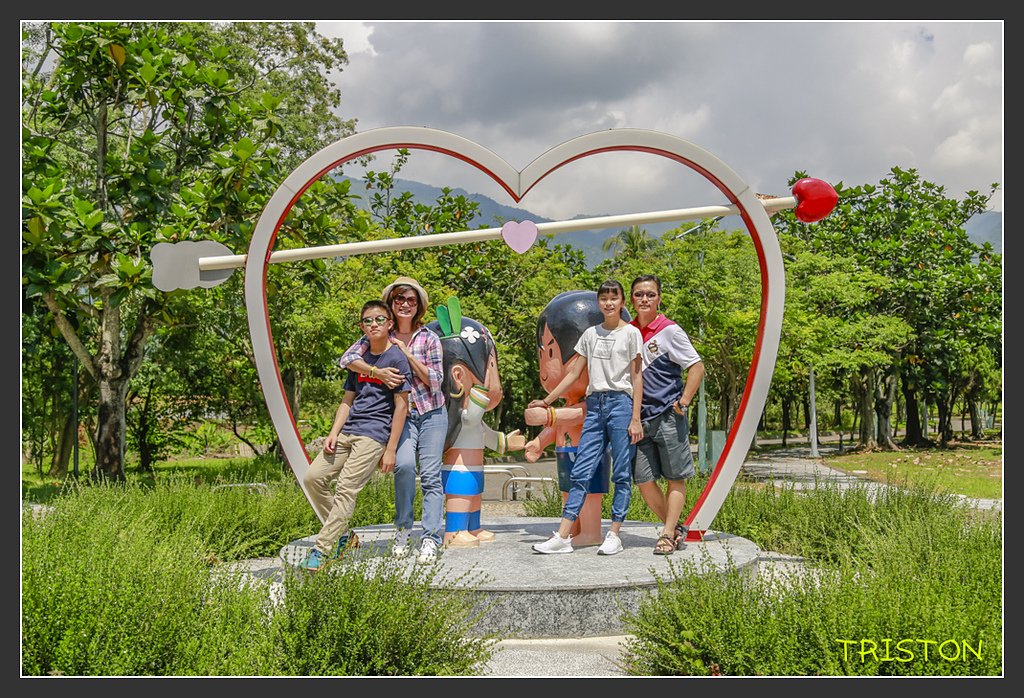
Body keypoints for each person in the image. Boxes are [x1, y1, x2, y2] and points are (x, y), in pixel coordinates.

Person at [529, 280, 644, 556]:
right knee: (580, 471)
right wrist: (547, 401)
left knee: (621, 473)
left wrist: (636, 417)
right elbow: (572, 374)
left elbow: (637, 377)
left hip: (621, 404)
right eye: (604, 298)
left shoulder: (631, 333)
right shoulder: (591, 334)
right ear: (599, 303)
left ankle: (613, 534)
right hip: (595, 405)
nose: (608, 303)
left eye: (613, 298)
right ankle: (563, 536)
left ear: (622, 303)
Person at [339, 277, 447, 564]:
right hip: (402, 415)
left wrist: (406, 353)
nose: (405, 304)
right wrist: (376, 372)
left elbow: (436, 381)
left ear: (419, 306)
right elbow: (347, 359)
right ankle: (402, 530)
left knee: (431, 475)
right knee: (404, 467)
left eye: (411, 300)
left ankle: (430, 537)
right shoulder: (378, 333)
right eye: (399, 298)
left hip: (432, 413)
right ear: (391, 303)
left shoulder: (429, 337)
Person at [300, 300, 411, 571]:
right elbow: (347, 400)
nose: (374, 324)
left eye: (380, 319)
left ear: (390, 324)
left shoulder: (397, 359)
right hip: (348, 431)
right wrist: (333, 432)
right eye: (368, 320)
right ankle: (345, 536)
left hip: (374, 434)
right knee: (312, 478)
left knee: (346, 488)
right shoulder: (358, 360)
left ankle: (322, 550)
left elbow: (401, 407)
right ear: (362, 327)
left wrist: (391, 449)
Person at [426, 302, 524, 547]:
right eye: (491, 366)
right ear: (458, 376)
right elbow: (470, 420)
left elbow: (484, 433)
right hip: (458, 469)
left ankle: (474, 526)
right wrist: (481, 391)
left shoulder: (474, 419)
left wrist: (505, 442)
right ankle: (454, 531)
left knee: (474, 495)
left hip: (473, 467)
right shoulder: (464, 416)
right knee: (460, 496)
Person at [629, 274, 705, 555]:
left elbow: (696, 366)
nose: (644, 299)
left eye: (650, 294)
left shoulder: (670, 330)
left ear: (659, 299)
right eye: (639, 294)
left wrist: (683, 401)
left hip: (668, 415)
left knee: (676, 477)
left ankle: (665, 534)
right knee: (643, 480)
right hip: (639, 419)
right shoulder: (628, 331)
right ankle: (674, 530)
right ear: (631, 299)